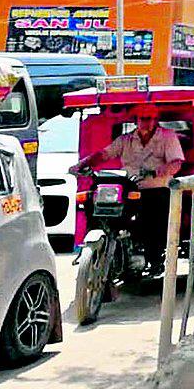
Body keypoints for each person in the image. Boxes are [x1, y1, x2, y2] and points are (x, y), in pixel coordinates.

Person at [71, 101, 184, 272]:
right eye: (144, 119)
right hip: (128, 188)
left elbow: (176, 162)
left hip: (155, 190)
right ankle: (93, 245)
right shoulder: (125, 140)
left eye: (153, 119)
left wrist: (163, 170)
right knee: (93, 203)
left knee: (153, 220)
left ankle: (155, 258)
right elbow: (104, 154)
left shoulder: (167, 137)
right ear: (136, 120)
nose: (149, 123)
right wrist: (82, 164)